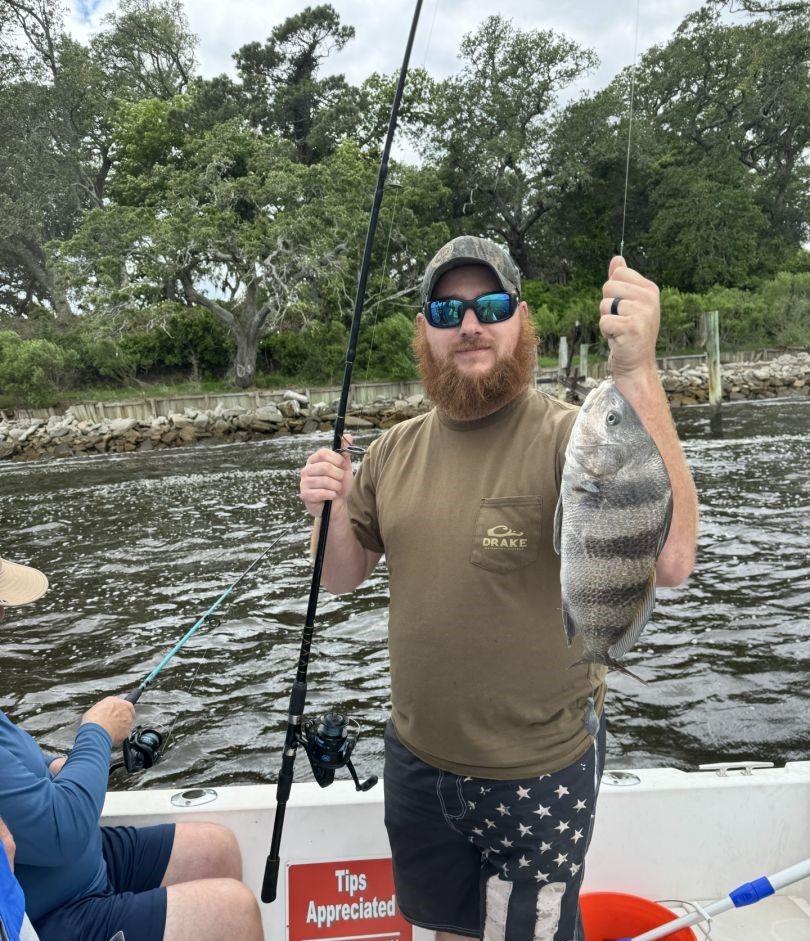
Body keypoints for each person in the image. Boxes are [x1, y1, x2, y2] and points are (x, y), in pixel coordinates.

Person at [299, 236, 699, 941]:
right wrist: (325, 511)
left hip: (538, 775)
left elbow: (669, 560)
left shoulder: (570, 436)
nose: (470, 324)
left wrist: (637, 370)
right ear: (424, 330)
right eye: (447, 310)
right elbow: (340, 577)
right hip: (418, 767)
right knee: (443, 931)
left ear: (521, 318)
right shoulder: (393, 451)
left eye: (489, 304)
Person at [0, 555, 264, 941]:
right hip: (53, 914)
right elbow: (62, 832)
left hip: (86, 864)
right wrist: (96, 733)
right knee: (233, 911)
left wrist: (55, 764)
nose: (4, 618)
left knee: (215, 847)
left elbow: (15, 759)